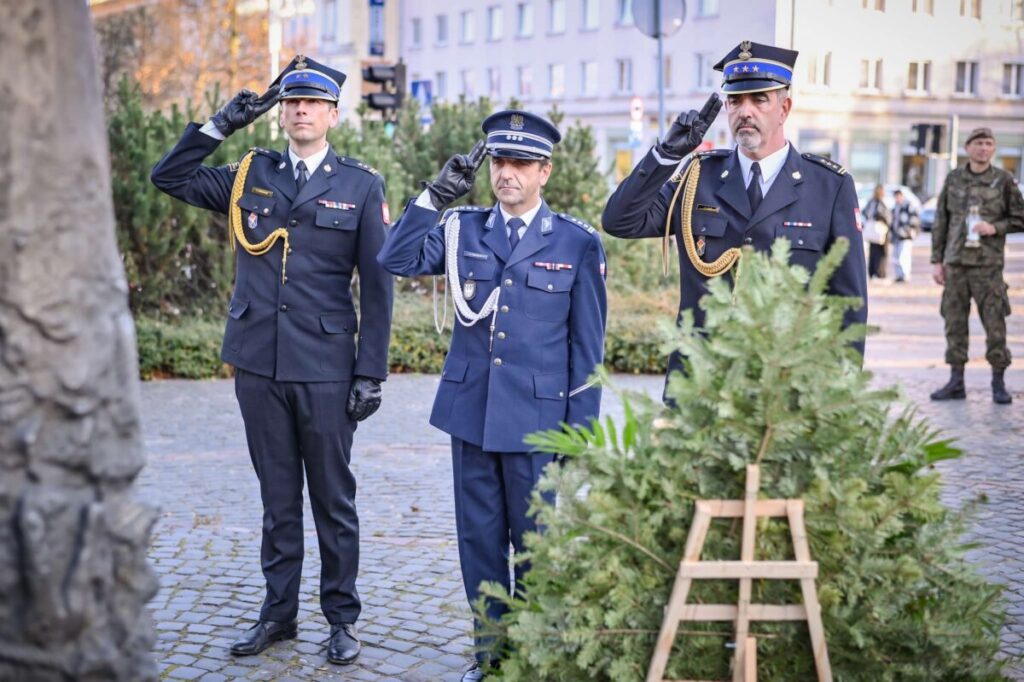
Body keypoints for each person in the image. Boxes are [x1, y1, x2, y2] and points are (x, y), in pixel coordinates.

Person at [150, 56, 394, 664]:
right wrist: (219, 125)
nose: (299, 111)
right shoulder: (249, 173)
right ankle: (278, 616)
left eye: (312, 103)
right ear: (279, 112)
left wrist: (371, 372)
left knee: (333, 501)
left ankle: (342, 618)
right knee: (277, 499)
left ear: (333, 114)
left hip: (327, 366)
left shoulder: (360, 185)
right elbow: (169, 177)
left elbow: (378, 285)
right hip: (259, 362)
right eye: (290, 103)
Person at [377, 110, 607, 681]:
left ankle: (533, 654)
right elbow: (394, 259)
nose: (507, 173)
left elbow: (588, 344)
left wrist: (578, 428)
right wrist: (431, 198)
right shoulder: (462, 229)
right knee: (479, 543)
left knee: (534, 546)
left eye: (521, 163)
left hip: (537, 418)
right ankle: (491, 655)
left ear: (544, 172)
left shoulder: (576, 243)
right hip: (472, 414)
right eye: (500, 161)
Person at [602, 40, 867, 390]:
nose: (745, 111)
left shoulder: (829, 187)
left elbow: (848, 303)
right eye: (735, 100)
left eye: (759, 99)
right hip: (701, 381)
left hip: (785, 390)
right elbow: (620, 221)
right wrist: (667, 155)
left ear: (784, 109)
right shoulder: (698, 176)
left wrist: (838, 396)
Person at [930, 127, 1022, 404]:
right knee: (954, 323)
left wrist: (995, 227)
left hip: (988, 267)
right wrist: (937, 260)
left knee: (995, 325)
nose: (984, 148)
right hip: (956, 264)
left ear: (993, 149)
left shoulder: (1004, 181)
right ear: (968, 148)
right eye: (978, 143)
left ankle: (998, 382)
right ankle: (956, 381)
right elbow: (940, 222)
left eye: (989, 144)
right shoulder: (954, 178)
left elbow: (1020, 218)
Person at [863, 183, 892, 280]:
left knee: (873, 252)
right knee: (882, 252)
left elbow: (865, 213)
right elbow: (888, 217)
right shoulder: (882, 202)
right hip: (881, 231)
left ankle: (873, 272)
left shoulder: (871, 202)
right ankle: (880, 272)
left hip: (873, 232)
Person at [890, 189, 920, 283]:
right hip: (896, 236)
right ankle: (899, 275)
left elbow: (915, 219)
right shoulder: (895, 207)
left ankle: (905, 274)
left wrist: (909, 230)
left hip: (906, 236)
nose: (897, 198)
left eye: (898, 196)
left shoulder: (908, 206)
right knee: (896, 256)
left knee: (904, 256)